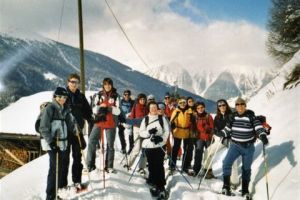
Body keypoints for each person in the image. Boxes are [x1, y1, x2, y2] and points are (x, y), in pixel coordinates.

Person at [217, 97, 269, 198]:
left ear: (245, 105)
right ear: (235, 107)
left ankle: (245, 190)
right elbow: (227, 129)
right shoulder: (233, 117)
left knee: (246, 168)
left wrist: (262, 135)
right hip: (235, 146)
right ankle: (226, 186)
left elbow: (259, 127)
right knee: (226, 163)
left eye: (242, 104)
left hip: (248, 147)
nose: (240, 106)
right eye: (237, 104)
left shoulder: (251, 117)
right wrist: (219, 133)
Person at [39, 87, 77, 200]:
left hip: (62, 143)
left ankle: (55, 194)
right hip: (52, 143)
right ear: (55, 96)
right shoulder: (50, 108)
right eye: (59, 96)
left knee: (59, 168)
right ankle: (50, 196)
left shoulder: (65, 109)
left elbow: (70, 124)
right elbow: (43, 127)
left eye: (64, 97)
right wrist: (51, 142)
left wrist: (76, 133)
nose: (62, 99)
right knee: (55, 169)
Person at [61, 73, 93, 191]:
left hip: (77, 132)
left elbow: (87, 112)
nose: (74, 84)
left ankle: (77, 181)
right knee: (64, 159)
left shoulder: (81, 97)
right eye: (72, 81)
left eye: (76, 82)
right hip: (64, 132)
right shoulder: (62, 95)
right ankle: (62, 184)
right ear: (68, 82)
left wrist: (92, 119)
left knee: (77, 158)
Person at [87, 78, 120, 173]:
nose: (107, 86)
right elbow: (93, 109)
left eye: (109, 84)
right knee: (92, 141)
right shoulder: (99, 95)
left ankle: (109, 166)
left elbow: (118, 111)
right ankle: (90, 165)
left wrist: (109, 108)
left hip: (111, 123)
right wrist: (101, 107)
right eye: (105, 84)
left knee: (110, 145)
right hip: (99, 122)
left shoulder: (116, 96)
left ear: (112, 85)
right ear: (103, 85)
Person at [202, 99, 239, 181]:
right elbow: (215, 128)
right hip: (221, 140)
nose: (222, 107)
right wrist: (214, 131)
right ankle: (208, 171)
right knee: (207, 152)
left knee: (233, 159)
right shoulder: (217, 117)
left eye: (223, 105)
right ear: (218, 107)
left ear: (226, 105)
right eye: (220, 106)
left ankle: (234, 181)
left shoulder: (232, 115)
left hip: (232, 139)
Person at [139, 102, 170, 199]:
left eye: (155, 107)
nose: (153, 109)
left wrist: (161, 139)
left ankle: (161, 187)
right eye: (151, 107)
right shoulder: (145, 119)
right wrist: (148, 133)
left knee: (159, 165)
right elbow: (141, 133)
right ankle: (154, 183)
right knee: (152, 165)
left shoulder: (162, 118)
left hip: (160, 146)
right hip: (149, 146)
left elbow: (167, 132)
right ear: (149, 109)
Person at [125, 93, 148, 174]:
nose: (142, 101)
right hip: (137, 128)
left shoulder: (147, 108)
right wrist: (128, 122)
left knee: (144, 148)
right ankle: (128, 164)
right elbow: (132, 116)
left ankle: (141, 167)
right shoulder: (136, 107)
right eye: (141, 99)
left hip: (145, 129)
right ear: (138, 100)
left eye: (144, 99)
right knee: (137, 147)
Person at [169, 97, 193, 173]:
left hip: (187, 132)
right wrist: (172, 124)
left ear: (186, 103)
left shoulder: (190, 111)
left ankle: (185, 166)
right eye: (181, 103)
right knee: (175, 149)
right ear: (178, 104)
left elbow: (193, 121)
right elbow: (172, 120)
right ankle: (172, 165)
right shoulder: (176, 111)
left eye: (184, 102)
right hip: (177, 131)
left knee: (186, 150)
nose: (182, 104)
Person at [190, 102, 214, 176]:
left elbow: (212, 127)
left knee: (208, 154)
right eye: (198, 108)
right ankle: (196, 170)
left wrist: (207, 128)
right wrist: (193, 134)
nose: (200, 109)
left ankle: (208, 171)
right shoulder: (195, 116)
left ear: (204, 108)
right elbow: (192, 126)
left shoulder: (208, 116)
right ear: (196, 109)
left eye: (201, 107)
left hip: (208, 138)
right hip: (199, 138)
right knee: (198, 153)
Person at [118, 90, 135, 154]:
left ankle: (131, 147)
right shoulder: (120, 102)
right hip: (122, 119)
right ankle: (123, 146)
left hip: (130, 120)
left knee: (131, 134)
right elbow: (118, 111)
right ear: (123, 95)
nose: (127, 96)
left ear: (130, 95)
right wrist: (119, 119)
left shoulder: (133, 102)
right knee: (120, 132)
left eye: (128, 94)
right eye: (125, 94)